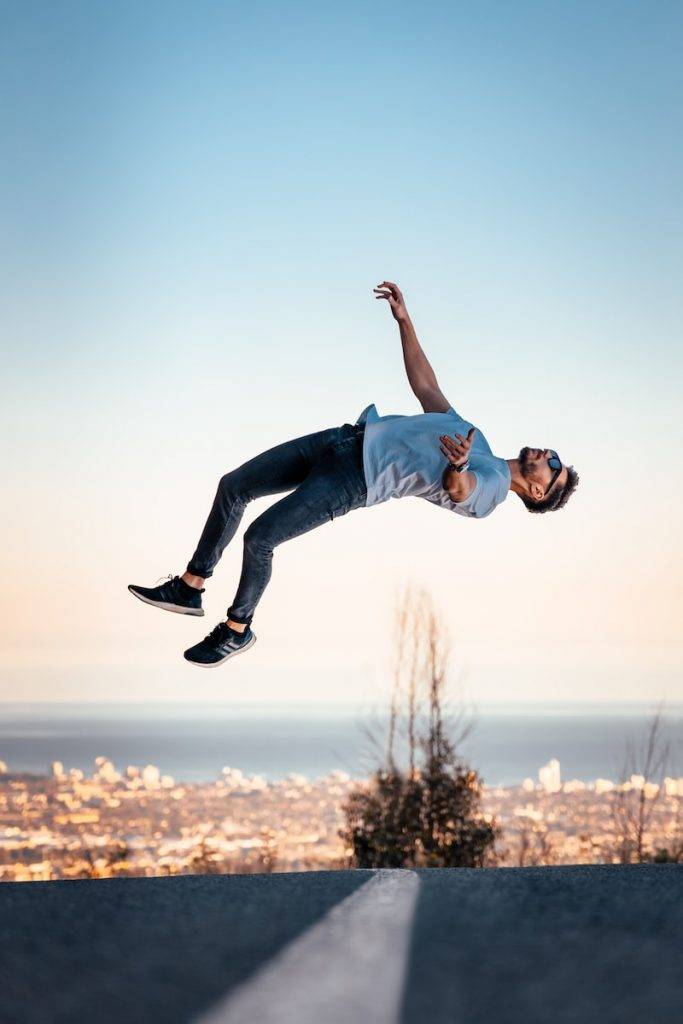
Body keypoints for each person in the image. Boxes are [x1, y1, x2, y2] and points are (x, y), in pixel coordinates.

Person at [129, 281, 579, 667]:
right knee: (234, 486)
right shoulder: (476, 437)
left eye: (553, 467)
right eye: (555, 456)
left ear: (538, 491)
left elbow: (460, 491)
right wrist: (405, 321)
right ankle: (190, 587)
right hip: (341, 441)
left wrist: (459, 466)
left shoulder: (495, 490)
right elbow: (426, 386)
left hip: (352, 481)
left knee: (260, 539)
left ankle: (236, 628)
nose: (549, 455)